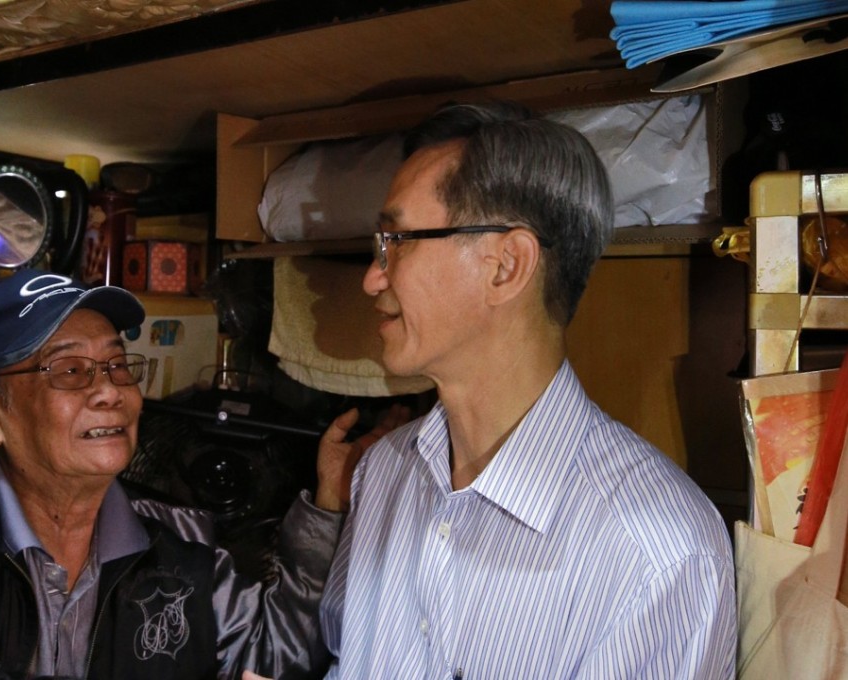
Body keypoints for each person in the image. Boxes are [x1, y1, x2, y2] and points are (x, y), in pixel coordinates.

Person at [313, 101, 738, 679]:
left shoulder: (658, 552)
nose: (371, 276)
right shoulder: (383, 471)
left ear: (506, 266)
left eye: (398, 241)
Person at [0, 268, 359, 680]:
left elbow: (274, 657)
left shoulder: (182, 539)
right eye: (70, 371)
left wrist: (329, 501)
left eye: (118, 365)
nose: (111, 391)